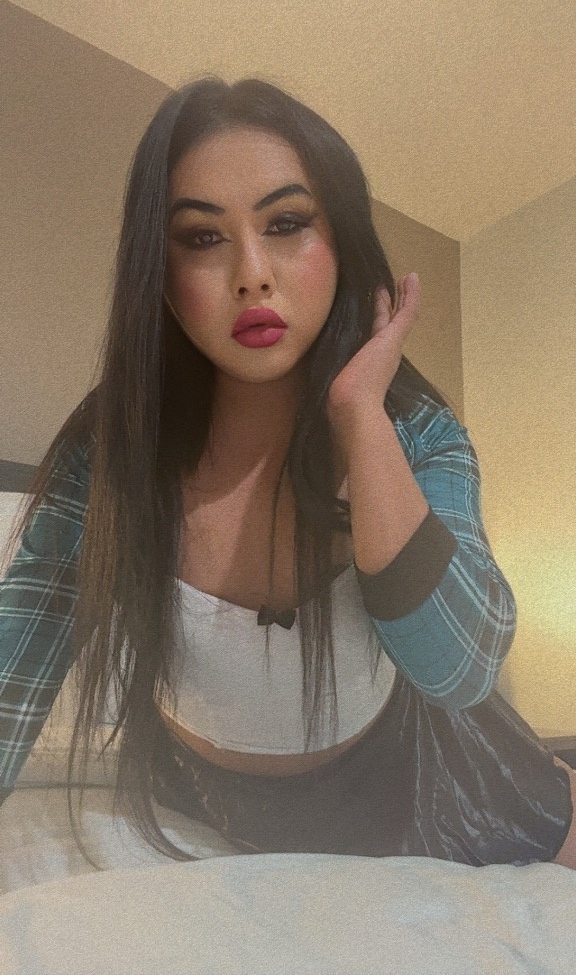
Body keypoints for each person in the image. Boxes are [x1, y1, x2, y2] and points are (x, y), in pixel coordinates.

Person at [1, 78, 575, 867]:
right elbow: (12, 681)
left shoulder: (420, 434)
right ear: (158, 274)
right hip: (215, 807)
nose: (252, 274)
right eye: (202, 237)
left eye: (286, 224)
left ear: (342, 243)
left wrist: (362, 419)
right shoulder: (109, 458)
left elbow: (461, 672)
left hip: (446, 781)